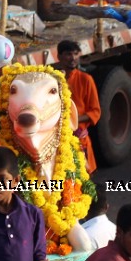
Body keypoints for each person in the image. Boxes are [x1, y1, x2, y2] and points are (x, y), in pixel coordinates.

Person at [56, 40, 100, 173]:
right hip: (58, 140)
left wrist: (73, 121)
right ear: (59, 57)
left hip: (79, 140)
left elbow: (95, 111)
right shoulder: (54, 80)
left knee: (85, 181)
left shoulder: (86, 79)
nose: (73, 58)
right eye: (68, 54)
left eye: (76, 54)